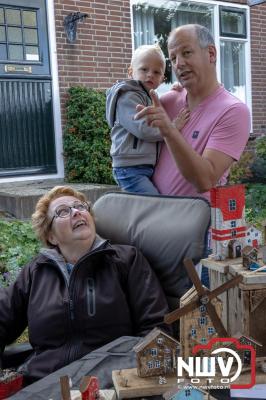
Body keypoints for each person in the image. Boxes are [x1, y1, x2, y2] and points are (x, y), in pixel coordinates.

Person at [0, 186, 170, 384]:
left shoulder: (126, 260)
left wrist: (124, 380)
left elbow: (157, 333)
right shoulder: (36, 271)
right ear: (51, 237)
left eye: (80, 206)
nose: (76, 211)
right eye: (63, 211)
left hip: (109, 384)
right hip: (43, 384)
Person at [134, 24, 251, 200]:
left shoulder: (233, 111)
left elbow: (205, 181)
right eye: (173, 58)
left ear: (211, 54)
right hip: (151, 214)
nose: (178, 64)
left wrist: (169, 130)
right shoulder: (166, 102)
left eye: (186, 53)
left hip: (196, 224)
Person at [106, 44, 189, 194]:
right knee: (155, 205)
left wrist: (176, 91)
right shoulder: (128, 96)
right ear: (131, 72)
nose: (150, 74)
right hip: (130, 169)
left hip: (143, 166)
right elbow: (144, 128)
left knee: (145, 209)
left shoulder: (147, 96)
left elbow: (157, 108)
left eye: (156, 72)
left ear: (162, 79)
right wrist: (173, 128)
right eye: (144, 69)